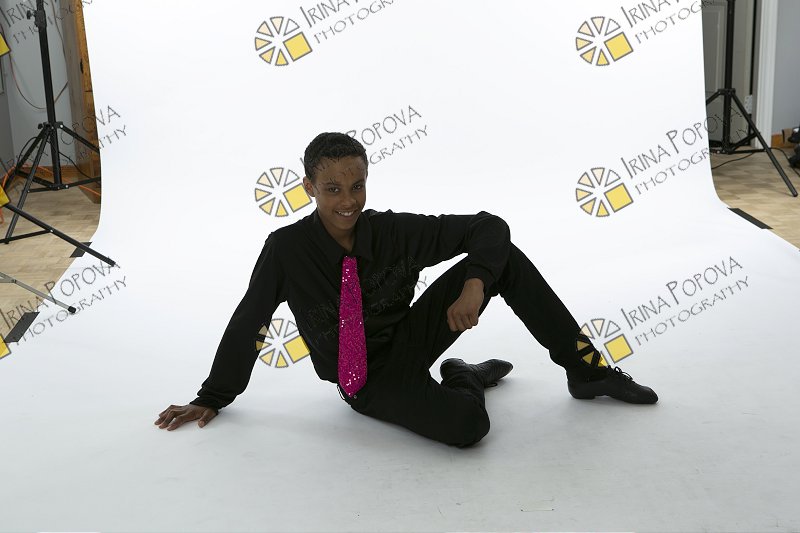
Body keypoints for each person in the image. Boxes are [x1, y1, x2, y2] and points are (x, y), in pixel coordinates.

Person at [155, 132, 657, 447]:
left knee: (504, 258)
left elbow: (488, 226)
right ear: (308, 187)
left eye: (357, 186)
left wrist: (475, 284)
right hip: (366, 380)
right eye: (333, 189)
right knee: (469, 430)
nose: (348, 201)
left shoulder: (392, 231)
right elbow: (251, 319)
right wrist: (213, 397)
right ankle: (463, 375)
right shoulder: (286, 249)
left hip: (410, 338)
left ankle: (585, 370)